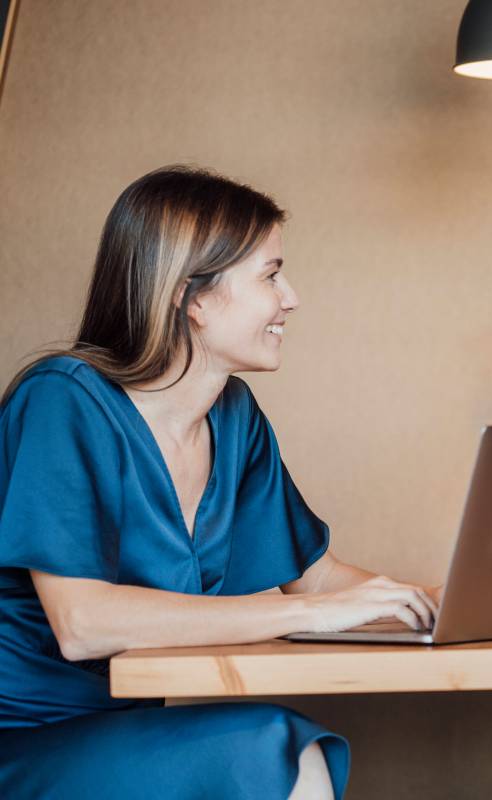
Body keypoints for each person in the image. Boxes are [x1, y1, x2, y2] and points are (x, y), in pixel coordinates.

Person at [0, 166, 440, 799]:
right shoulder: (62, 402)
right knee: (276, 751)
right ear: (193, 298)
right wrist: (311, 614)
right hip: (23, 737)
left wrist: (442, 602)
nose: (291, 297)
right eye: (269, 275)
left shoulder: (234, 418)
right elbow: (83, 623)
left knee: (276, 748)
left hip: (119, 733)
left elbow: (315, 576)